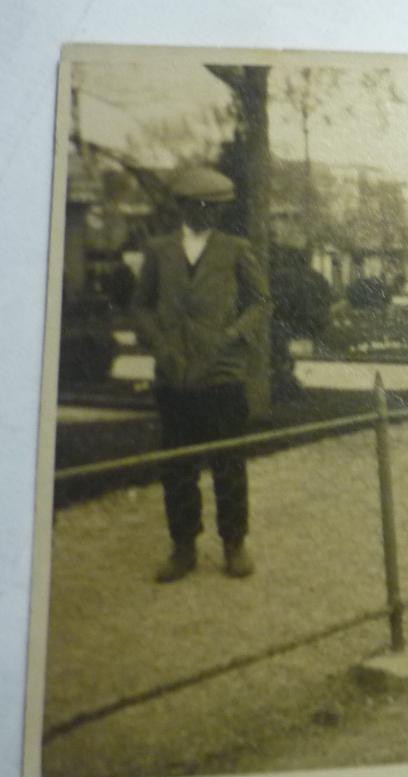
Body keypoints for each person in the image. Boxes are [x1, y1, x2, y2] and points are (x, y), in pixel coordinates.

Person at [131, 166, 272, 583]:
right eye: (199, 206)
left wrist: (231, 337)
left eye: (216, 208)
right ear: (182, 207)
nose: (207, 214)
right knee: (177, 465)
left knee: (228, 461)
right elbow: (140, 306)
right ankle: (183, 547)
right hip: (174, 375)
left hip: (222, 375)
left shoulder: (235, 249)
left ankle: (233, 544)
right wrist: (159, 344)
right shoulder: (158, 251)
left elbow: (261, 302)